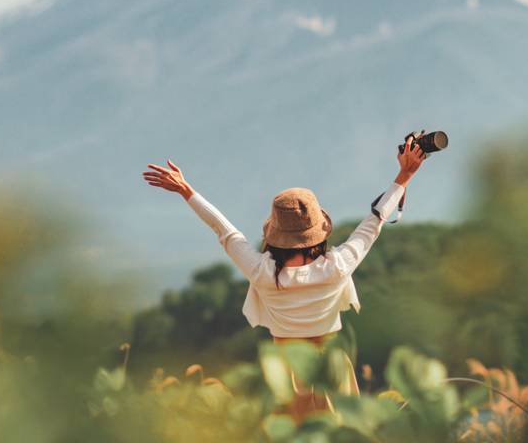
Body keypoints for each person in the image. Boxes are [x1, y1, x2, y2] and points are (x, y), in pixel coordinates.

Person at [141, 134, 427, 411]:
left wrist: (186, 190)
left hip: (285, 375)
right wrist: (405, 175)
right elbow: (375, 221)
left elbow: (224, 230)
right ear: (319, 231)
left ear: (276, 234)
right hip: (333, 371)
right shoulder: (337, 267)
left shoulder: (262, 273)